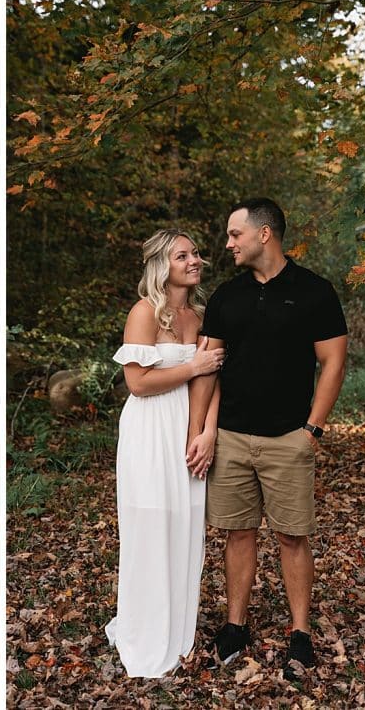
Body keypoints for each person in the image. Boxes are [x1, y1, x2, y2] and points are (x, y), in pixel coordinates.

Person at [191, 197, 347, 679]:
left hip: (288, 439)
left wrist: (312, 430)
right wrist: (201, 431)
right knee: (238, 533)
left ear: (264, 234)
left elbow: (334, 362)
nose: (228, 242)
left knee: (292, 536)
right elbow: (206, 369)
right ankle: (235, 626)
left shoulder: (315, 292)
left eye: (235, 234)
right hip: (233, 438)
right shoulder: (225, 297)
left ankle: (300, 634)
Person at [104, 230, 225, 677]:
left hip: (190, 425)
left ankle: (178, 629)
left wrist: (209, 431)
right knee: (150, 522)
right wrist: (191, 365)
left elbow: (213, 382)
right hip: (149, 427)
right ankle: (145, 630)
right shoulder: (143, 313)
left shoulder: (201, 315)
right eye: (183, 255)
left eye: (195, 253)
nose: (195, 260)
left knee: (186, 522)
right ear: (162, 265)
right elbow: (137, 383)